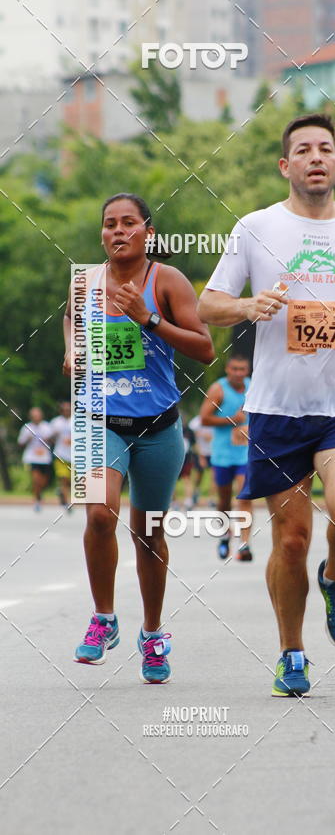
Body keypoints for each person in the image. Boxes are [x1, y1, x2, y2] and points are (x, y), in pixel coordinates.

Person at [197, 113, 335, 696]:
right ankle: (292, 653)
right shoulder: (255, 227)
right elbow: (207, 304)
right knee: (290, 541)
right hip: (277, 409)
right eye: (304, 150)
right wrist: (247, 307)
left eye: (325, 148)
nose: (316, 157)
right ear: (285, 165)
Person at [63, 193, 214, 683]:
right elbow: (71, 318)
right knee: (99, 513)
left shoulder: (166, 280)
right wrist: (71, 349)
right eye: (110, 223)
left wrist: (148, 318)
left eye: (128, 222)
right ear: (102, 233)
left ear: (148, 231)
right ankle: (103, 618)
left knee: (148, 533)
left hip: (158, 428)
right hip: (98, 420)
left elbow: (206, 349)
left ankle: (151, 634)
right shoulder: (85, 281)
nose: (118, 231)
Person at [200, 356, 253, 561]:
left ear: (247, 371)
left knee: (244, 496)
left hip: (245, 453)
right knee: (224, 500)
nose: (238, 373)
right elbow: (204, 418)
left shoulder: (253, 387)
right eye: (234, 369)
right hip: (222, 454)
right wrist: (232, 420)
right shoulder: (218, 390)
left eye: (242, 369)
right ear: (227, 370)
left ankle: (244, 545)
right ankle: (224, 536)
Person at [17, 407, 53, 511]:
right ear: (31, 417)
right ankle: (37, 501)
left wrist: (49, 439)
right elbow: (20, 443)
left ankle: (39, 494)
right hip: (32, 458)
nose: (36, 418)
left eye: (38, 415)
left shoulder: (47, 426)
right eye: (34, 416)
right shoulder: (27, 428)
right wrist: (27, 439)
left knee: (44, 481)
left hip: (45, 458)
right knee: (36, 479)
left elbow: (53, 440)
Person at [188, 413, 216, 506]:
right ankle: (195, 494)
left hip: (213, 452)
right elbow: (194, 440)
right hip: (201, 452)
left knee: (214, 477)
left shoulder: (217, 418)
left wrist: (211, 437)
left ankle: (211, 498)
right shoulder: (196, 421)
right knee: (198, 476)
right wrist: (201, 456)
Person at [49, 401, 72, 511]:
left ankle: (61, 492)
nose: (67, 411)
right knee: (64, 478)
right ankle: (66, 503)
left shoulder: (78, 421)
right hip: (60, 455)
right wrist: (54, 436)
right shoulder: (55, 422)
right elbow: (49, 438)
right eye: (65, 410)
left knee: (71, 481)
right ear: (61, 411)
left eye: (69, 409)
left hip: (75, 456)